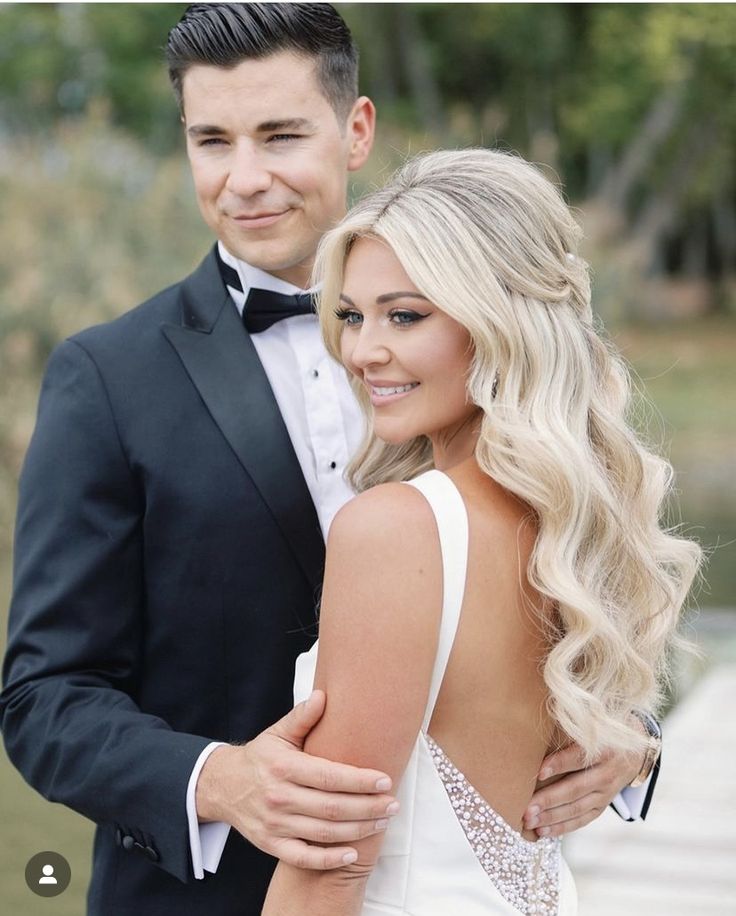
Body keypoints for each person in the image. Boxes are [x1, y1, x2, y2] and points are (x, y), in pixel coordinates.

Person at [0, 6, 669, 916]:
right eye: (211, 140)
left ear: (357, 131)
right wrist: (218, 780)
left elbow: (571, 585)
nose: (245, 178)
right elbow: (44, 697)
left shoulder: (490, 334)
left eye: (280, 135)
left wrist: (630, 738)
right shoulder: (106, 377)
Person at [262, 148, 701, 915]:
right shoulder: (570, 525)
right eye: (353, 316)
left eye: (405, 315)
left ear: (498, 319)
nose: (363, 351)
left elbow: (328, 869)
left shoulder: (396, 530)